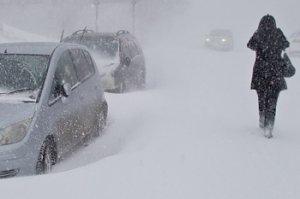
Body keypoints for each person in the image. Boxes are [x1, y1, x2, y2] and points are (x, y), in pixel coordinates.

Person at [247, 14, 289, 138]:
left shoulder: (259, 34)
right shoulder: (277, 34)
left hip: (261, 73)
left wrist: (258, 35)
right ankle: (269, 125)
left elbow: (249, 45)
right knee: (272, 101)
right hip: (275, 74)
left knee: (261, 98)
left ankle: (262, 119)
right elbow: (286, 44)